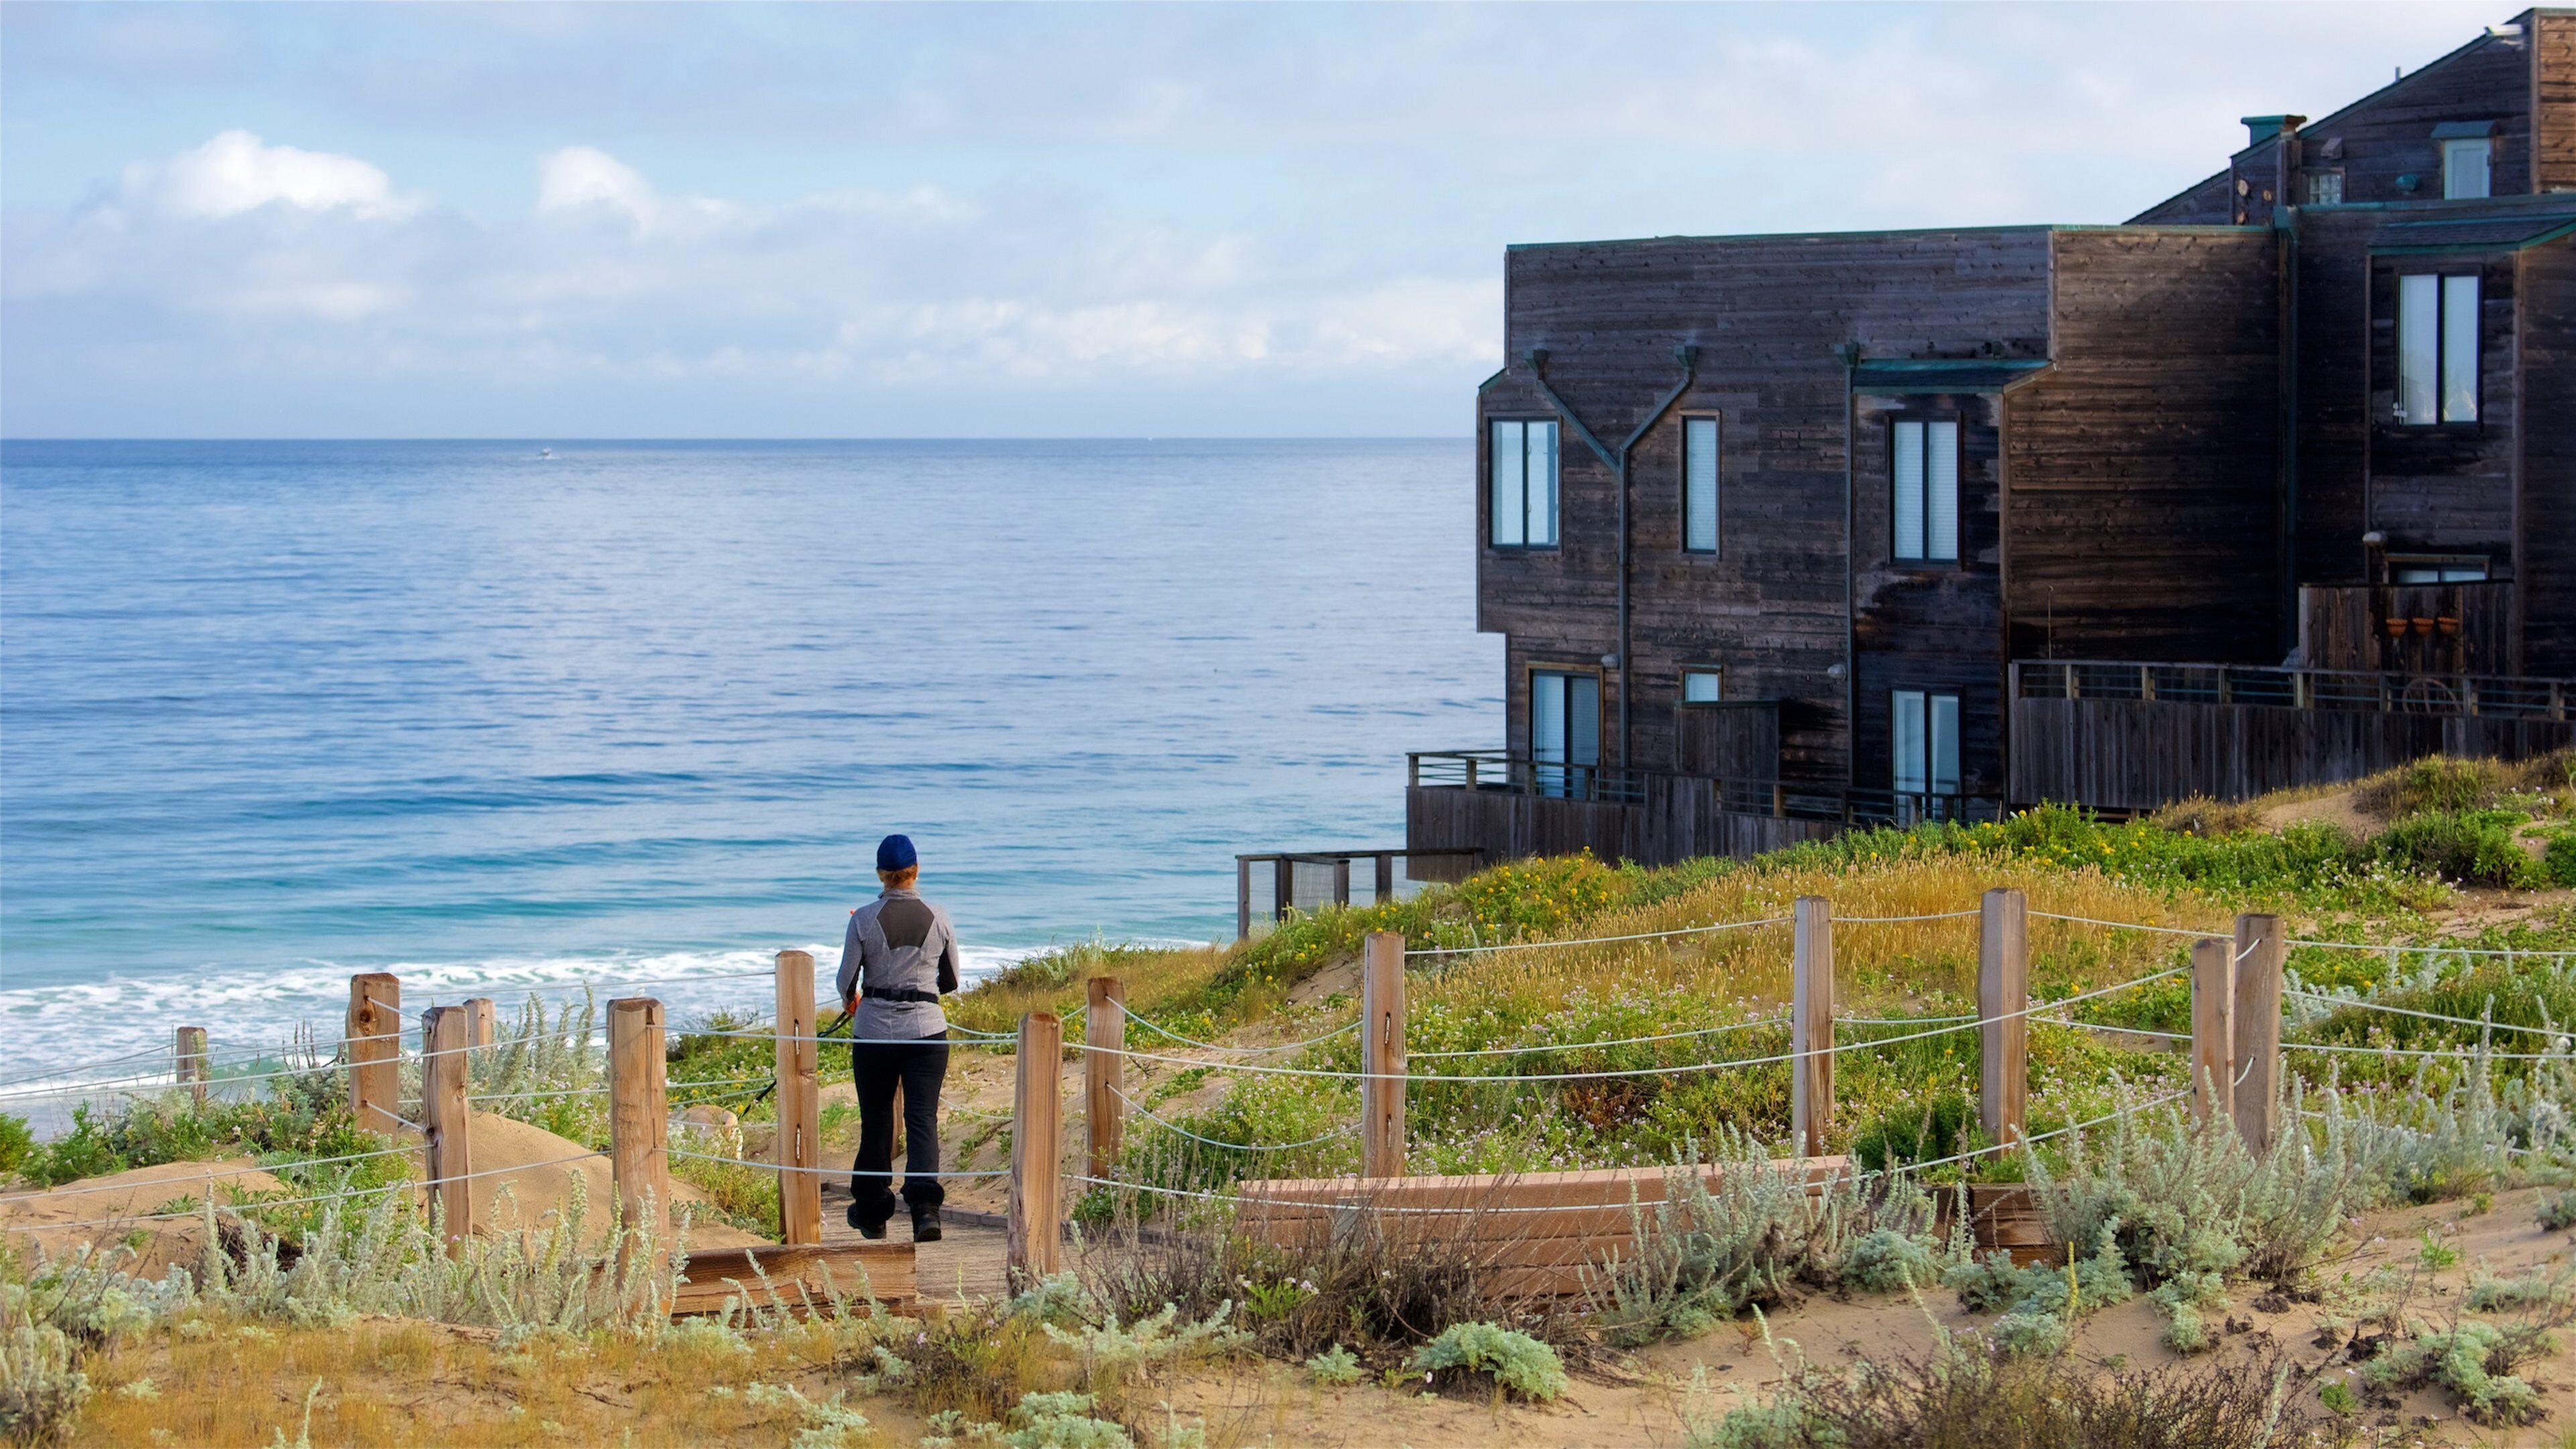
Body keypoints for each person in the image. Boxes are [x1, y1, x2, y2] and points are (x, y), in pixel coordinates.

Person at [835, 833, 958, 1241]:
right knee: (922, 1118)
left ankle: (872, 1211)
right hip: (926, 1031)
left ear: (881, 875)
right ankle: (925, 1211)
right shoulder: (939, 916)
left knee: (876, 1120)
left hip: (874, 1034)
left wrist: (854, 1000)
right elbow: (951, 980)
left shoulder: (863, 918)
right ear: (915, 871)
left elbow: (845, 980)